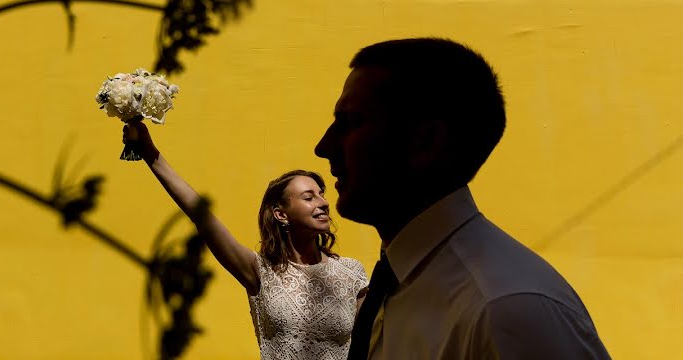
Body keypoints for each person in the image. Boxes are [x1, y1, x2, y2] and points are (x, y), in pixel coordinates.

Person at [314, 37, 611, 360]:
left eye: (351, 123)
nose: (324, 146)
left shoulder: (505, 311)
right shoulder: (400, 284)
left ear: (427, 141)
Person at [123, 121, 369, 360]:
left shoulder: (351, 273)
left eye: (321, 195)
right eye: (309, 197)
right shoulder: (260, 271)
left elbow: (371, 347)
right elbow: (202, 217)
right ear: (281, 214)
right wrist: (150, 153)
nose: (323, 202)